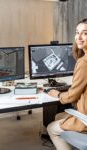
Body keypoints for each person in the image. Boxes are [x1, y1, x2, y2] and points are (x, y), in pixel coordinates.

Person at [47, 18, 87, 150]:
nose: (79, 37)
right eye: (77, 32)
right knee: (59, 116)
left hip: (85, 119)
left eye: (85, 33)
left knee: (51, 128)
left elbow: (71, 97)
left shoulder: (84, 62)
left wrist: (58, 94)